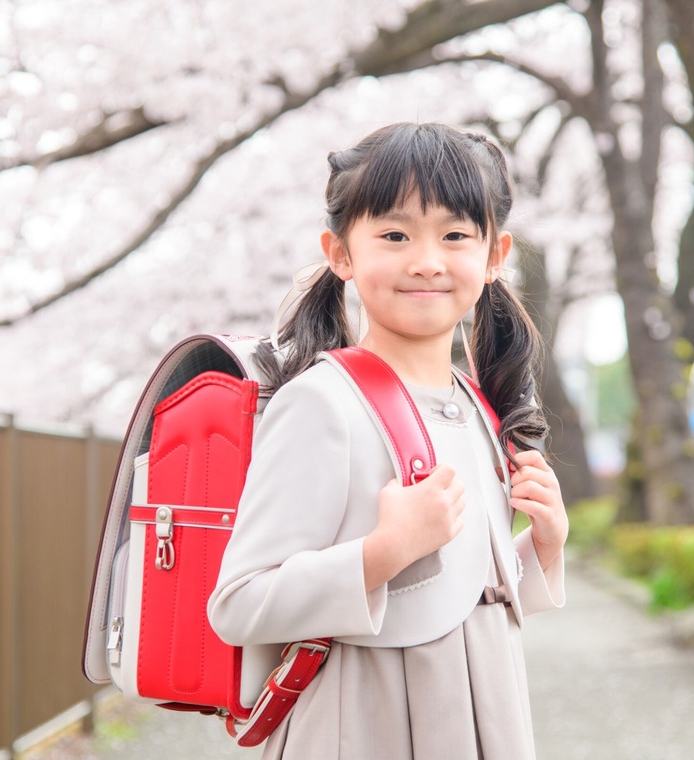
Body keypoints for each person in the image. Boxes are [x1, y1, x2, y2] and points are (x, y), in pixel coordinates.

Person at [208, 122, 568, 760]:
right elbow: (239, 603)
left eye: (455, 235)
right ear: (341, 253)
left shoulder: (475, 404)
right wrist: (383, 551)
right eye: (394, 235)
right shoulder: (322, 404)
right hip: (363, 727)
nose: (426, 260)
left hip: (482, 720)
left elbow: (454, 591)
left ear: (494, 256)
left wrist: (540, 548)